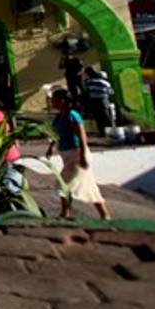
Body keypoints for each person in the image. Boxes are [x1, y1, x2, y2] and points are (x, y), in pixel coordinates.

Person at [45, 87, 110, 220]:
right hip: (66, 155)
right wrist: (51, 146)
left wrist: (83, 155)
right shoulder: (58, 117)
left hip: (77, 154)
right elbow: (56, 134)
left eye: (55, 100)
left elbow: (81, 136)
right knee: (88, 186)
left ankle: (65, 213)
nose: (52, 103)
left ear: (62, 100)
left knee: (64, 184)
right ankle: (103, 214)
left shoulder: (72, 115)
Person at [83, 66, 114, 135]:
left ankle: (102, 132)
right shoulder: (105, 83)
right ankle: (110, 132)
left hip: (94, 101)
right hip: (104, 100)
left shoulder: (89, 82)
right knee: (106, 116)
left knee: (98, 117)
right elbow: (111, 92)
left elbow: (86, 92)